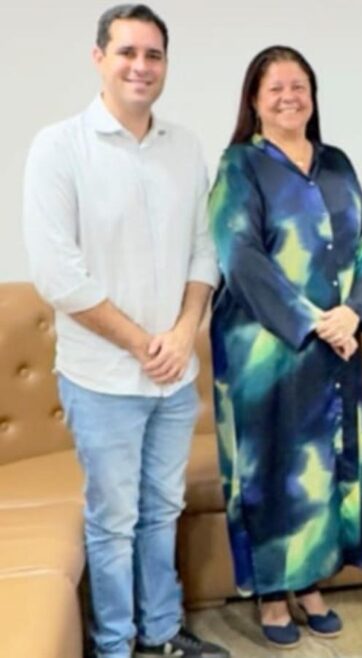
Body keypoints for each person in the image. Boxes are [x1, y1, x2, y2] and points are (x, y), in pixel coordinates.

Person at [21, 5, 228, 657]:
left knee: (161, 510)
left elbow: (204, 251)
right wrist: (144, 343)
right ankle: (116, 645)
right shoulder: (59, 148)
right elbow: (60, 275)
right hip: (102, 377)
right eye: (127, 52)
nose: (141, 66)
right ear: (99, 58)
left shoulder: (186, 147)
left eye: (154, 55)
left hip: (174, 376)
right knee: (113, 522)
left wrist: (184, 332)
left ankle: (163, 634)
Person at [208, 45, 362, 648]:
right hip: (266, 354)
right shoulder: (240, 166)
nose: (289, 97)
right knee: (272, 471)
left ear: (313, 95)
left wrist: (352, 314)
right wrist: (314, 320)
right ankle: (273, 596)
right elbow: (241, 259)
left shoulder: (336, 163)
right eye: (275, 87)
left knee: (325, 468)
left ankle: (311, 584)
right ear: (254, 100)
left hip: (334, 351)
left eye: (299, 86)